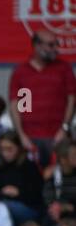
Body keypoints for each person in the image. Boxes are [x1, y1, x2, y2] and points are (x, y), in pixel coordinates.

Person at [7, 29, 76, 168]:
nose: (55, 49)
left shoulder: (63, 68)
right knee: (31, 178)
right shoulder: (22, 71)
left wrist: (64, 128)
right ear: (37, 46)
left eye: (56, 44)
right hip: (30, 137)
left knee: (61, 175)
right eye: (51, 45)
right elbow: (17, 104)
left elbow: (72, 99)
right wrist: (21, 134)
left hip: (58, 135)